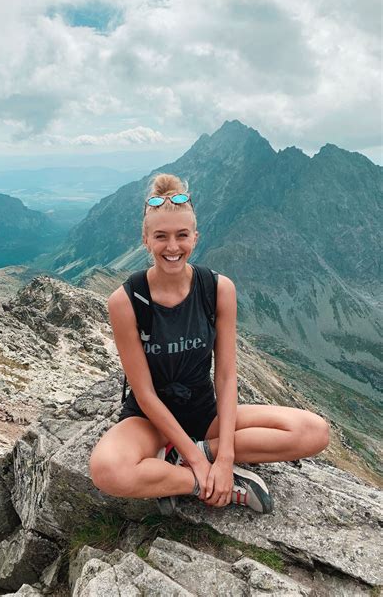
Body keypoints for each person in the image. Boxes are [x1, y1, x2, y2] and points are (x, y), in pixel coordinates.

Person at [90, 173, 330, 514]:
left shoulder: (218, 289)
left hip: (205, 414)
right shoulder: (126, 300)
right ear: (145, 240)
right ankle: (203, 483)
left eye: (181, 236)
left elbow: (227, 376)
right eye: (161, 236)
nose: (172, 247)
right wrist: (202, 471)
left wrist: (223, 455)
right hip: (149, 421)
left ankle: (186, 460)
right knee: (106, 470)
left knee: (314, 432)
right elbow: (143, 392)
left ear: (195, 237)